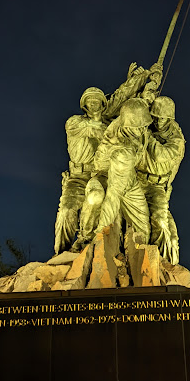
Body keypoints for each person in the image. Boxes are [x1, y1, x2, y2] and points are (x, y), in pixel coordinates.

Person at [53, 63, 159, 254]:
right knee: (67, 211)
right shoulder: (75, 123)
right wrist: (119, 125)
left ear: (104, 104)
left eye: (98, 101)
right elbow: (107, 125)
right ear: (84, 105)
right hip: (79, 176)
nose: (94, 104)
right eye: (90, 102)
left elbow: (121, 97)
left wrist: (142, 79)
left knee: (108, 206)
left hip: (105, 173)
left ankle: (103, 246)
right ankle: (64, 253)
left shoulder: (113, 123)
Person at [92, 98, 153, 243]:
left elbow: (137, 108)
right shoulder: (120, 150)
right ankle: (96, 240)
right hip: (113, 176)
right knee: (110, 210)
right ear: (127, 125)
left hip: (129, 178)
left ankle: (141, 259)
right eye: (138, 127)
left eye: (143, 126)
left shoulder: (129, 118)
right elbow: (113, 196)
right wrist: (101, 233)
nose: (142, 130)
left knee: (144, 227)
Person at [136, 96, 185, 263]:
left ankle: (160, 262)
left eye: (162, 117)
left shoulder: (176, 139)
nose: (157, 121)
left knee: (159, 219)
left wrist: (147, 136)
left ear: (170, 118)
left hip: (156, 185)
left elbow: (161, 154)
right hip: (137, 180)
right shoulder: (147, 125)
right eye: (155, 117)